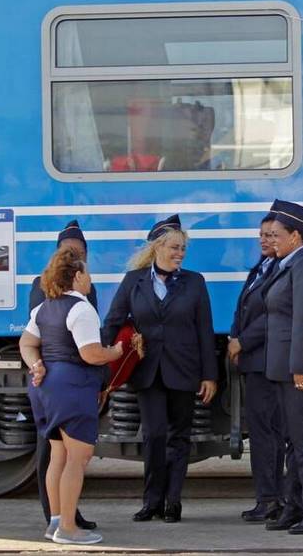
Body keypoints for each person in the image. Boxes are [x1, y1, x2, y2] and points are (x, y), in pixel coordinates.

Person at [102, 214, 218, 523]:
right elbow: (113, 322)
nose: (180, 253)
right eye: (174, 247)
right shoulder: (133, 281)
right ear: (157, 248)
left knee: (179, 437)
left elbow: (204, 330)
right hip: (148, 372)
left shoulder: (195, 282)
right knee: (153, 435)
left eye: (183, 249)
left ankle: (173, 502)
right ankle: (151, 501)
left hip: (184, 370)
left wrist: (209, 375)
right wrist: (98, 359)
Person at [20, 247, 124, 544]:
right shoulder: (81, 308)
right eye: (87, 272)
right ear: (77, 276)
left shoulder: (43, 308)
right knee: (78, 458)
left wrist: (36, 364)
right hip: (73, 387)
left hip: (46, 388)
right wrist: (115, 352)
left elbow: (26, 343)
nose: (90, 278)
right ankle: (68, 527)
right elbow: (90, 354)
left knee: (59, 456)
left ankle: (55, 522)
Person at [261, 200, 303, 535]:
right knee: (292, 441)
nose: (270, 239)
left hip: (296, 370)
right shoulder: (286, 265)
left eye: (276, 234)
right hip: (283, 369)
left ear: (296, 236)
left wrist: (299, 368)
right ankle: (295, 508)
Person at [28, 219, 97, 532]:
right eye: (69, 251)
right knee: (59, 453)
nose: (75, 256)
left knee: (64, 453)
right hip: (58, 378)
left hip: (70, 377)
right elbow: (42, 336)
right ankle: (55, 516)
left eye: (80, 252)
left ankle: (67, 514)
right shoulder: (40, 286)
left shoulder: (86, 289)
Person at [228, 215, 285, 523]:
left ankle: (270, 499)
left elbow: (272, 315)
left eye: (271, 235)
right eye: (262, 234)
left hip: (266, 361)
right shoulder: (261, 268)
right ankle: (271, 497)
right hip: (255, 359)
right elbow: (243, 308)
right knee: (265, 431)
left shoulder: (280, 270)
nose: (264, 240)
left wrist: (242, 342)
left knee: (266, 433)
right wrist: (234, 337)